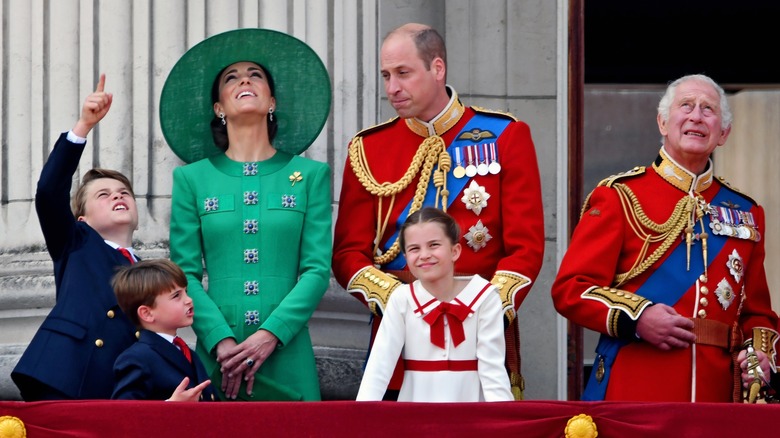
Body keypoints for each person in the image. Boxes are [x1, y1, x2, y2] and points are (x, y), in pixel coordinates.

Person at [332, 23, 544, 400]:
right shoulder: (368, 149)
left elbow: (525, 249)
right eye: (385, 76)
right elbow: (348, 254)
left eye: (403, 73)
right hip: (398, 337)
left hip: (482, 332)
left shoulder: (504, 135)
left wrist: (481, 309)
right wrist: (405, 305)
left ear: (438, 69)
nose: (392, 88)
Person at [551, 74, 779, 402]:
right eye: (685, 106)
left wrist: (760, 356)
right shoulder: (620, 196)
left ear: (724, 133)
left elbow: (758, 314)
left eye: (708, 110)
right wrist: (638, 317)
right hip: (635, 388)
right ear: (662, 122)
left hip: (714, 397)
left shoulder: (746, 212)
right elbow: (571, 289)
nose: (696, 116)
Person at [159, 28, 332, 401]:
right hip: (220, 355)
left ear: (272, 100)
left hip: (287, 347)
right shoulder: (191, 178)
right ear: (218, 108)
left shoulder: (310, 176)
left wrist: (272, 333)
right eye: (231, 78)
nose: (245, 81)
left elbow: (317, 270)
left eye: (255, 75)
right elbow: (184, 272)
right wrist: (219, 340)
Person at [11, 75, 140, 400]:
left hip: (117, 389)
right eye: (104, 195)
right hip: (64, 375)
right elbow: (49, 192)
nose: (117, 196)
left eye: (124, 192)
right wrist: (83, 126)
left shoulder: (149, 270)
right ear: (81, 219)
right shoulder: (77, 242)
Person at [356, 208, 512, 402]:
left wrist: (503, 423)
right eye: (414, 249)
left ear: (455, 251)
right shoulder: (401, 299)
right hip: (415, 416)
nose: (424, 255)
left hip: (471, 415)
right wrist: (361, 418)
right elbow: (379, 367)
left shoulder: (485, 297)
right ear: (405, 257)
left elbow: (493, 371)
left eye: (434, 245)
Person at [111, 259, 217, 401]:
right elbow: (123, 415)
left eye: (186, 292)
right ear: (147, 314)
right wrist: (170, 406)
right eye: (176, 296)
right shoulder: (136, 358)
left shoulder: (188, 353)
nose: (189, 300)